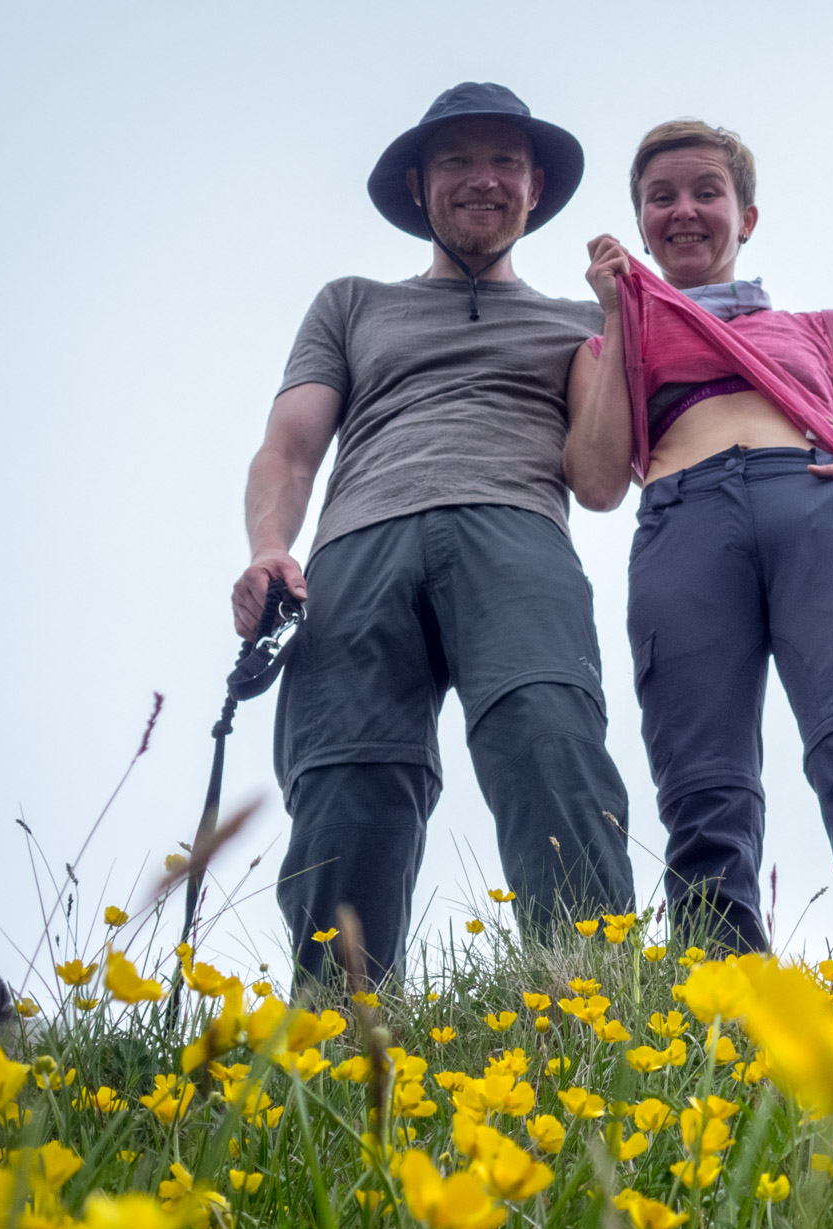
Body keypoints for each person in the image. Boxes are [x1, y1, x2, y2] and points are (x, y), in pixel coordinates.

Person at [233, 83, 636, 986]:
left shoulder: (580, 325)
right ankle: (338, 1035)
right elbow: (289, 450)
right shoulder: (350, 303)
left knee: (549, 736)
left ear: (536, 189)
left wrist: (618, 326)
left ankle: (598, 999)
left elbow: (601, 482)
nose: (482, 180)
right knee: (345, 782)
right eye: (457, 161)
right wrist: (269, 547)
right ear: (419, 186)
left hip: (517, 531)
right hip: (355, 548)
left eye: (505, 163)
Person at [564, 119, 833, 968]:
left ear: (748, 216)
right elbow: (593, 484)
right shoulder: (601, 344)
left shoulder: (821, 328)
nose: (684, 211)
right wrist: (621, 317)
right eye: (661, 198)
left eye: (707, 192)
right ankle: (722, 1011)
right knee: (703, 783)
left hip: (816, 507)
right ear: (641, 220)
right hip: (682, 516)